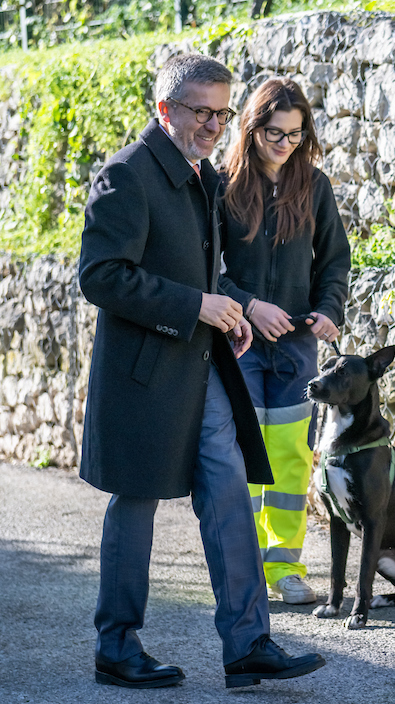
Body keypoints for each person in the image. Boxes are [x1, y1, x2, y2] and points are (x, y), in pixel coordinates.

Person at [78, 53, 326, 689]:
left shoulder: (205, 178)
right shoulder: (126, 175)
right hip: (142, 379)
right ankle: (117, 646)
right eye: (200, 111)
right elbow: (102, 277)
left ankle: (248, 645)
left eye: (222, 112)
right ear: (165, 109)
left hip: (204, 370)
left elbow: (210, 273)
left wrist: (232, 308)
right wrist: (198, 306)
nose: (214, 124)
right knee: (134, 507)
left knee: (227, 498)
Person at [217, 77, 351, 606]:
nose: (285, 144)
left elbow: (334, 261)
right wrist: (249, 306)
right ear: (252, 129)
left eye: (295, 135)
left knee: (293, 458)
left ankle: (286, 567)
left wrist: (328, 310)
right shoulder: (221, 185)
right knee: (245, 456)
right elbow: (208, 270)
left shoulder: (315, 187)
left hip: (297, 350)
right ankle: (245, 565)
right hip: (239, 342)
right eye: (275, 133)